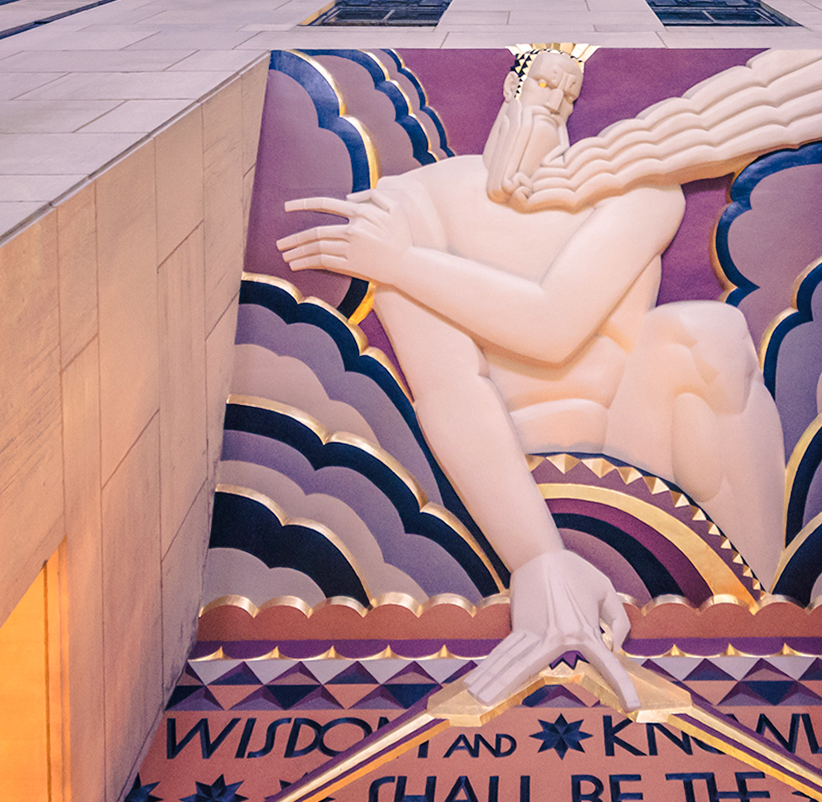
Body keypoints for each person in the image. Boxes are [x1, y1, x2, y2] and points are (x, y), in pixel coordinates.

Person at [278, 49, 790, 708]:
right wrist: (538, 559)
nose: (553, 101)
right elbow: (448, 387)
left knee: (702, 333)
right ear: (512, 82)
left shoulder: (637, 189)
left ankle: (758, 620)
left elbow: (554, 327)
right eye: (543, 81)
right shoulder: (413, 201)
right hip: (507, 481)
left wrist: (405, 264)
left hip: (644, 452)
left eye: (568, 90)